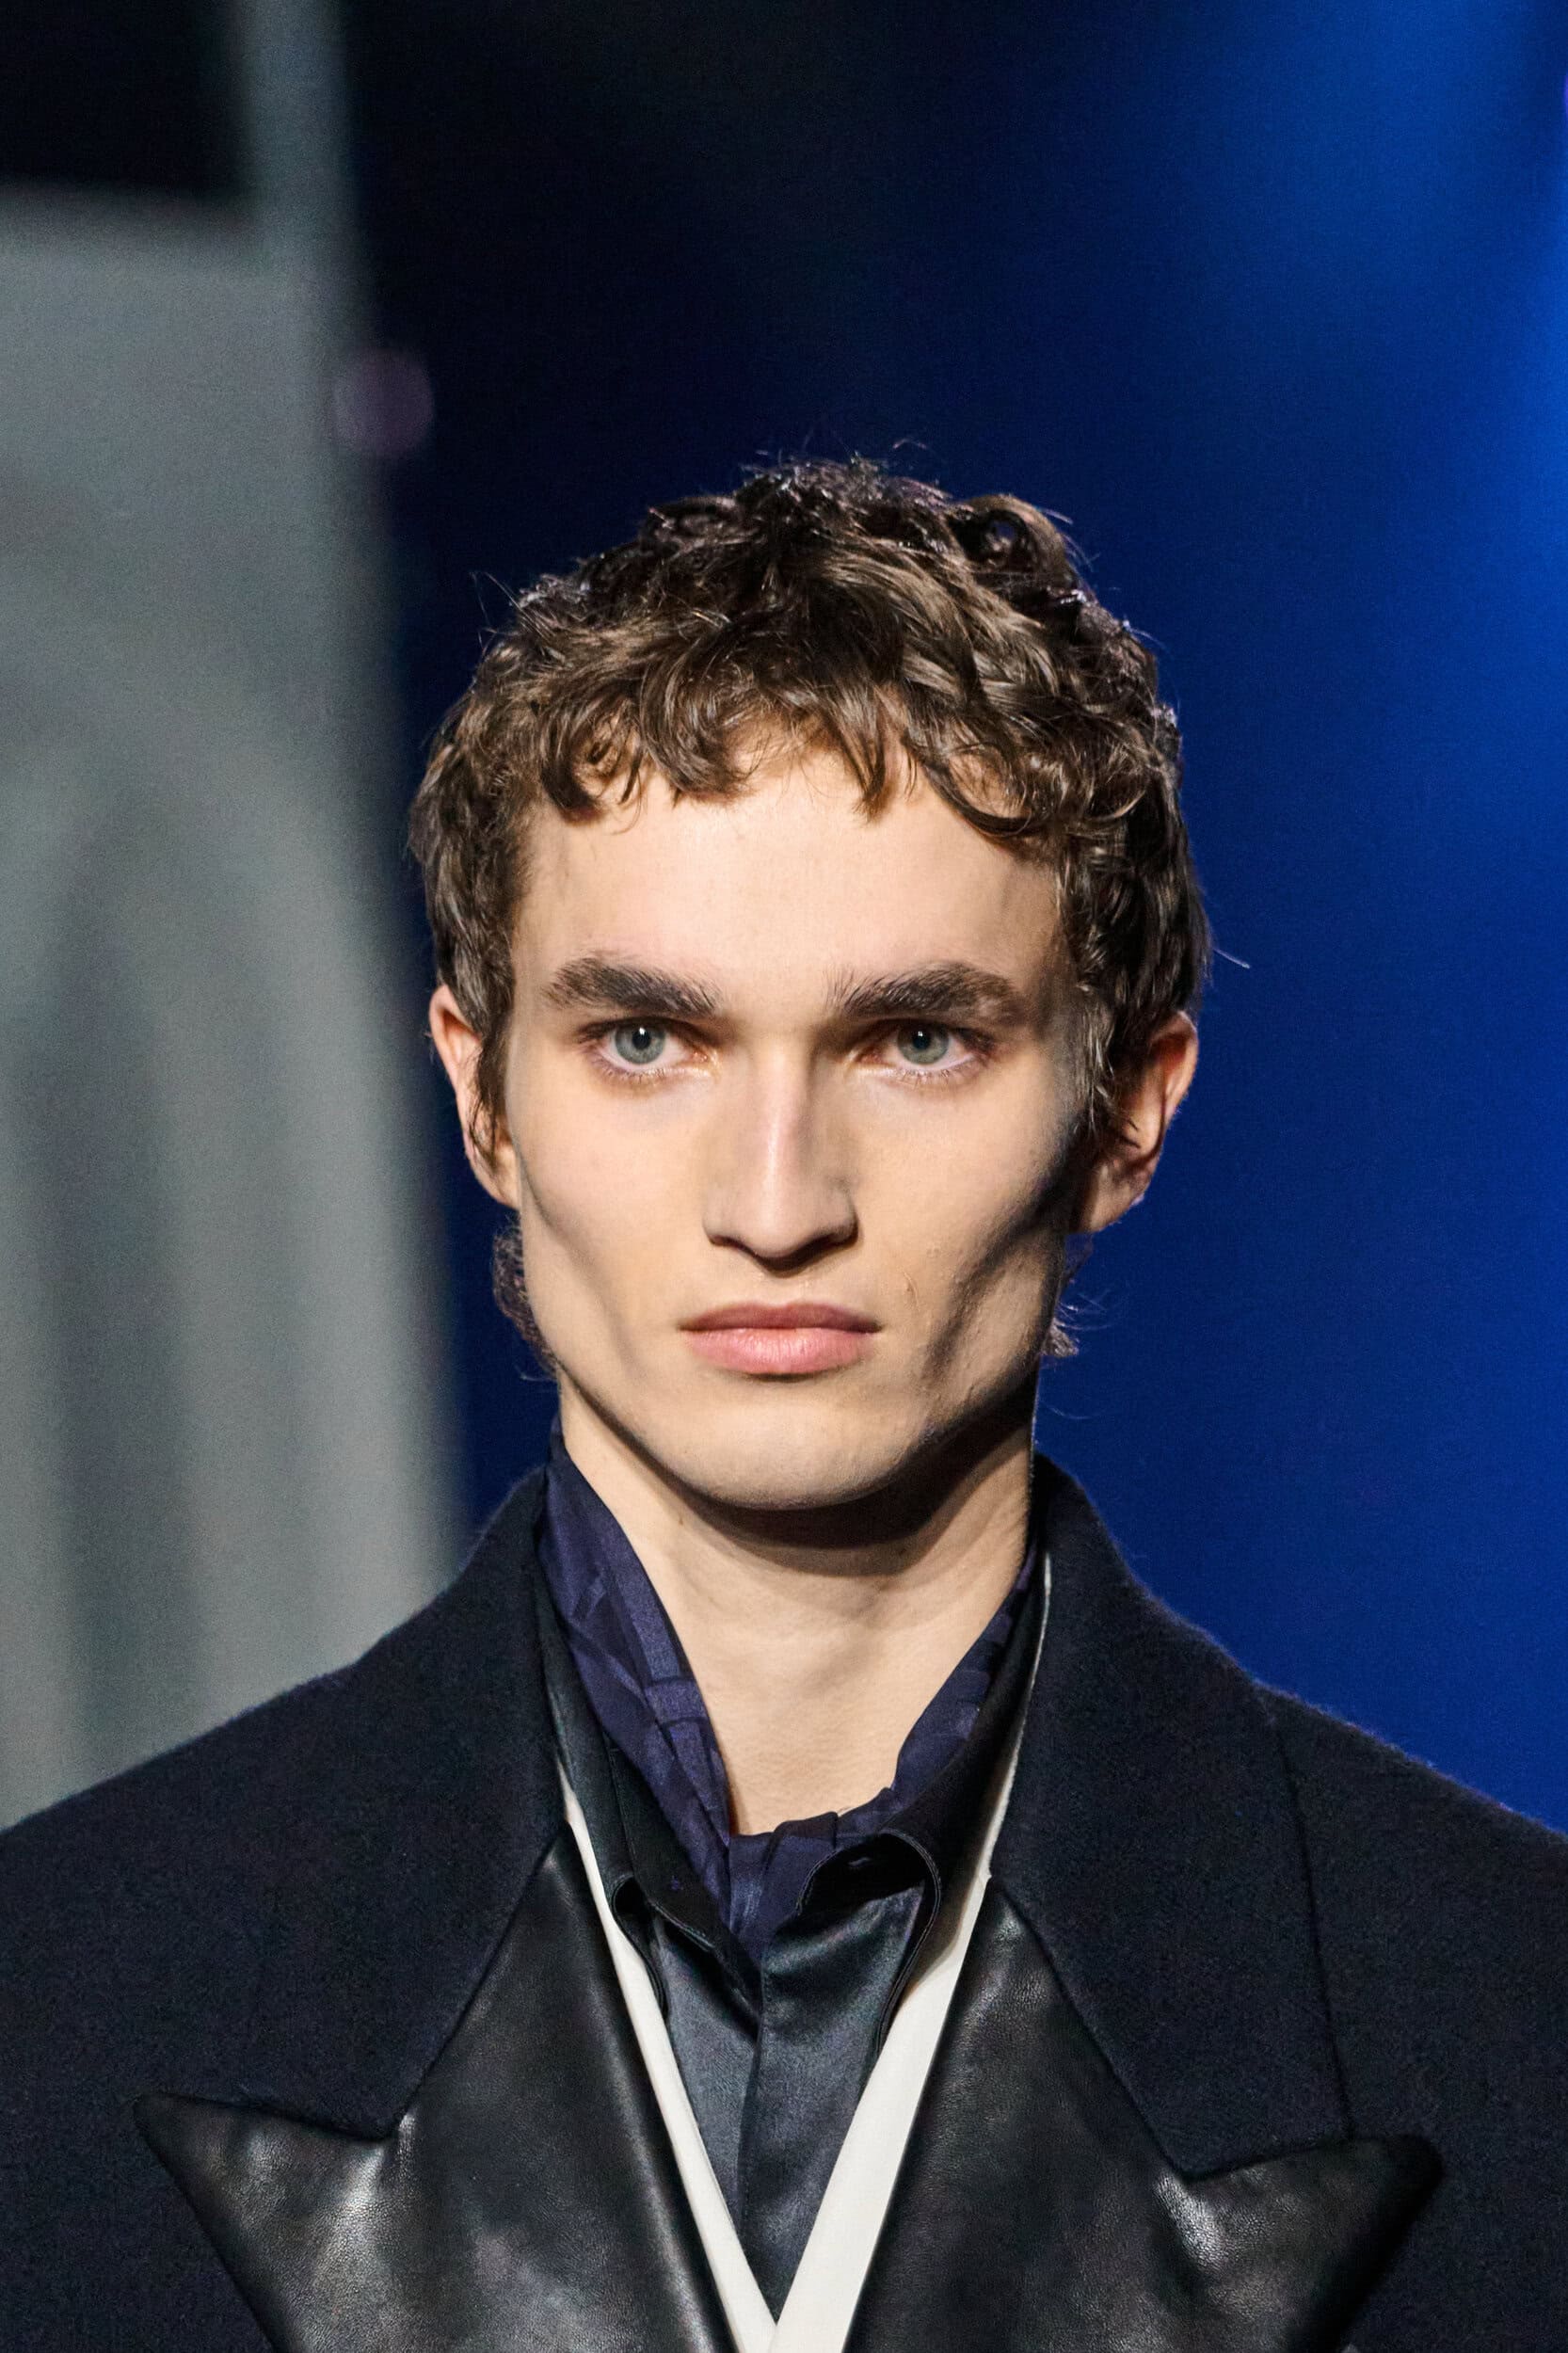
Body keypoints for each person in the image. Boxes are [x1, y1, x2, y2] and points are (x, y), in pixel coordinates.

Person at [2, 460, 1565, 2353]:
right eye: (644, 1039)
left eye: (913, 1039)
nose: (772, 1200)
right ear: (483, 1097)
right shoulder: (55, 2008)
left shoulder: (1507, 2021)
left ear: (1124, 1112)